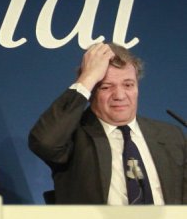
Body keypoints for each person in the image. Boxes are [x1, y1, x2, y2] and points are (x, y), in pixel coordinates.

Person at [29, 43, 186, 204]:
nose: (119, 95)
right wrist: (87, 78)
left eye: (128, 85)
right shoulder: (73, 137)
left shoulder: (171, 136)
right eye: (106, 87)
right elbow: (44, 143)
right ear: (90, 92)